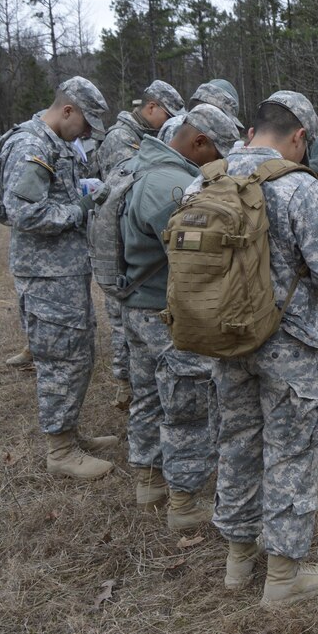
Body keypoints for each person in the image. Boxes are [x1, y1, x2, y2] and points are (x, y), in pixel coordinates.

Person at [202, 91, 318, 608]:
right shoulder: (296, 188)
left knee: (237, 442)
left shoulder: (203, 180)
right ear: (299, 138)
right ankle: (284, 578)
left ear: (251, 131)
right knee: (291, 451)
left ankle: (238, 561)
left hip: (222, 340)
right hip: (286, 345)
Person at [119, 105, 239, 528]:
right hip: (165, 312)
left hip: (137, 305)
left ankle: (149, 482)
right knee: (186, 405)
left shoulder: (138, 166)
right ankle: (184, 504)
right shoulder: (170, 184)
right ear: (199, 142)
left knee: (148, 396)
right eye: (219, 152)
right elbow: (195, 255)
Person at [0, 77, 118, 480]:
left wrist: (80, 193)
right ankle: (60, 450)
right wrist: (81, 208)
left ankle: (70, 432)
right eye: (85, 125)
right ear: (67, 110)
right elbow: (26, 214)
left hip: (63, 270)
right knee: (60, 360)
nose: (87, 134)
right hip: (47, 275)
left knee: (78, 353)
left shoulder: (55, 143)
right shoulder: (33, 147)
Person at [94, 80, 186, 403]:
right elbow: (126, 197)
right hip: (129, 255)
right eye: (170, 114)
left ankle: (135, 390)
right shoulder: (121, 139)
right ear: (151, 108)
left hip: (133, 254)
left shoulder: (141, 137)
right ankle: (127, 386)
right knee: (127, 328)